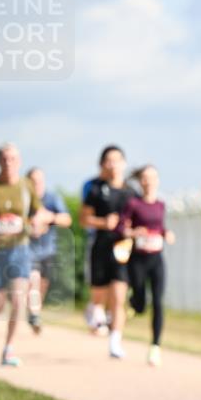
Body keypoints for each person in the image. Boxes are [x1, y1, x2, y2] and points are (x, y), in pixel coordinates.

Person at [0, 143, 48, 366]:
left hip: (19, 249)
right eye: (4, 158)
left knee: (18, 298)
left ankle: (8, 349)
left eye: (12, 159)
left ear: (19, 161)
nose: (8, 163)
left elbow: (38, 212)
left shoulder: (26, 186)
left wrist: (37, 223)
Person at [81, 146, 136, 358]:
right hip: (100, 247)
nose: (113, 165)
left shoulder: (131, 192)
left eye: (117, 160)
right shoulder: (96, 189)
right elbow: (84, 218)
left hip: (122, 249)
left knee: (119, 297)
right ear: (103, 164)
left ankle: (115, 341)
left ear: (124, 163)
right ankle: (94, 310)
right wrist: (104, 222)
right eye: (109, 161)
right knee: (99, 296)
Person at [120, 165, 174, 366]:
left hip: (156, 259)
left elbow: (160, 227)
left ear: (157, 180)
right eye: (145, 178)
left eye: (152, 177)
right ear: (140, 181)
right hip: (138, 260)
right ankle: (135, 303)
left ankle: (155, 347)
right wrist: (134, 233)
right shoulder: (133, 204)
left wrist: (166, 234)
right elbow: (121, 227)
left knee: (158, 302)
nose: (149, 181)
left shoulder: (161, 204)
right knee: (141, 303)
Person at [26, 167, 72, 334]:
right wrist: (29, 225)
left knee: (42, 285)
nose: (36, 184)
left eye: (39, 181)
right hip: (27, 250)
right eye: (33, 181)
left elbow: (67, 219)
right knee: (34, 280)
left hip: (48, 250)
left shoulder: (52, 198)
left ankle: (34, 310)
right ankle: (34, 314)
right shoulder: (23, 199)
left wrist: (49, 218)